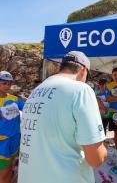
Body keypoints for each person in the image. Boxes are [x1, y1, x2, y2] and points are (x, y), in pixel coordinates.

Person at [18, 51, 107, 183]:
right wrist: (104, 149)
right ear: (83, 70)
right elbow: (96, 159)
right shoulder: (81, 90)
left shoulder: (36, 91)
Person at [0, 71, 24, 183]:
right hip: (2, 143)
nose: (6, 86)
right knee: (4, 174)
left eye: (9, 83)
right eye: (3, 83)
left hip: (15, 140)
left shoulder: (15, 99)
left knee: (10, 170)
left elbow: (27, 107)